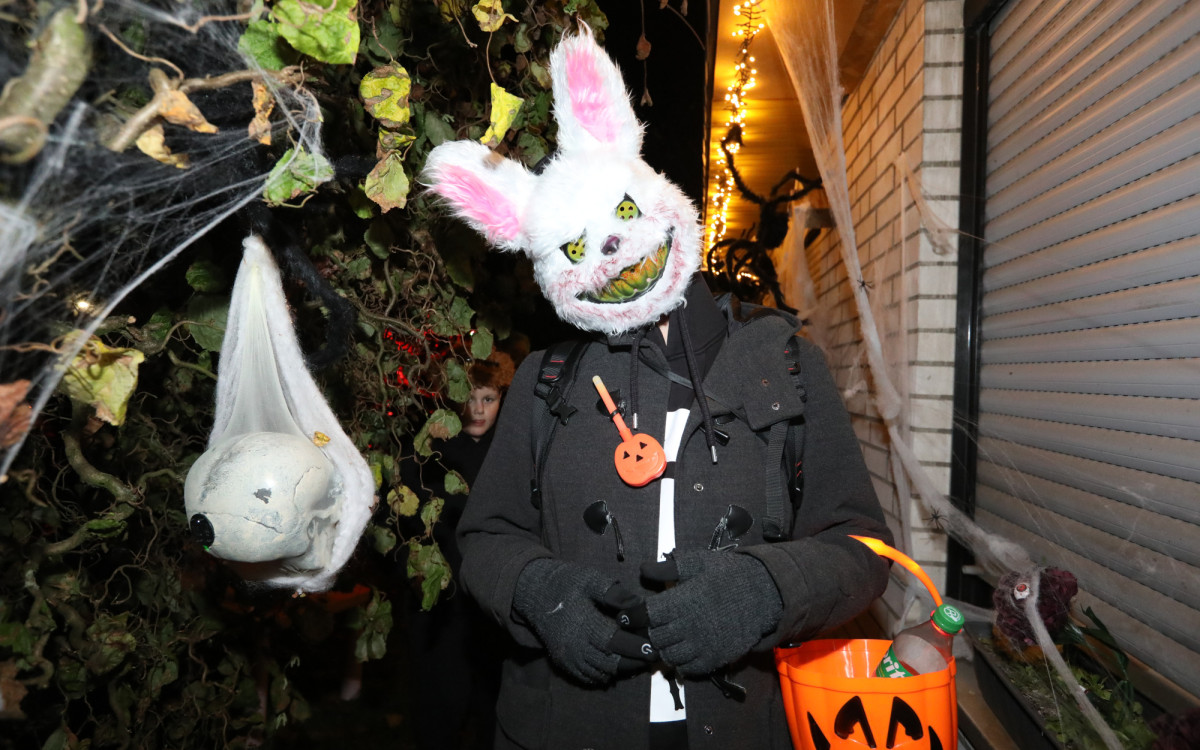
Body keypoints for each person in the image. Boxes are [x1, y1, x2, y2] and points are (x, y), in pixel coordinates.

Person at [423, 27, 893, 750]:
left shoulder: (786, 363)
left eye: (621, 216)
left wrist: (767, 589)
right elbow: (485, 536)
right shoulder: (546, 381)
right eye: (576, 247)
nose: (612, 256)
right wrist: (540, 593)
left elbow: (863, 548)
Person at [404, 354, 514, 750]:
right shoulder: (429, 451)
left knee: (495, 705)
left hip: (494, 600)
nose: (479, 410)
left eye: (489, 399)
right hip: (443, 601)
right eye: (470, 399)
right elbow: (406, 524)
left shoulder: (513, 449)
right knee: (440, 703)